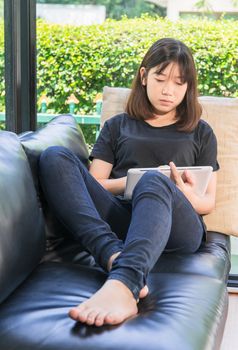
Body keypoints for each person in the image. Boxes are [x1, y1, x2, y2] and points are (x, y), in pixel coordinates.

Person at [39, 38, 219, 327]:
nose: (168, 90)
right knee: (54, 157)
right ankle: (112, 254)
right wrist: (127, 183)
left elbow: (208, 202)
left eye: (179, 83)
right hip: (121, 220)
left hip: (178, 227)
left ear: (188, 88)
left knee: (153, 182)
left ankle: (125, 283)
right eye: (160, 78)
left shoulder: (201, 132)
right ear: (144, 76)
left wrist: (180, 191)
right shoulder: (117, 126)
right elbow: (95, 184)